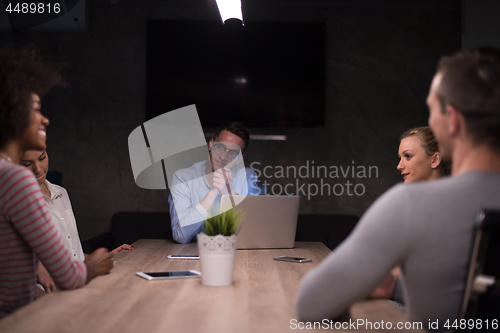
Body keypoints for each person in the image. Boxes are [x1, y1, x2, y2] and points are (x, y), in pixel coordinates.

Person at [296, 47, 500, 331]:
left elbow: (310, 303)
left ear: (452, 120)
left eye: (431, 109)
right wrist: (401, 288)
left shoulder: (410, 204)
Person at [0, 46, 113, 318]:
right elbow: (69, 277)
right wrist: (94, 263)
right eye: (37, 110)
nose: (45, 119)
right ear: (13, 116)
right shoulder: (15, 179)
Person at [21, 149, 134, 293]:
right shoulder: (17, 203)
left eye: (42, 158)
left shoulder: (61, 193)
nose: (38, 169)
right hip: (53, 292)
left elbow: (71, 250)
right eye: (26, 164)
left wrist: (102, 259)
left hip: (83, 281)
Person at [371, 126, 451, 301]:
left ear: (435, 159)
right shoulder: (414, 205)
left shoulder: (450, 208)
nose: (399, 166)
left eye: (408, 156)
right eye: (400, 158)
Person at [169, 122, 259, 244]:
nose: (223, 157)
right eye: (220, 147)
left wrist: (229, 193)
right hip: (192, 253)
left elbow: (254, 232)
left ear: (240, 158)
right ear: (211, 144)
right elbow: (181, 236)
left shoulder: (248, 177)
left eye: (233, 153)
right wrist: (213, 192)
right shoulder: (182, 178)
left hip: (236, 253)